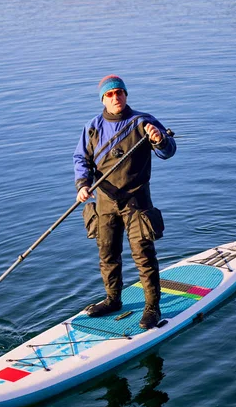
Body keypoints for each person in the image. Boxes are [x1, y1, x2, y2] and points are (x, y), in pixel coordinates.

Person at [74, 75, 176, 330]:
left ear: (126, 95)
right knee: (107, 254)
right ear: (103, 99)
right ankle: (113, 300)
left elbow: (168, 150)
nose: (115, 97)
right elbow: (81, 160)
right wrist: (83, 185)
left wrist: (159, 140)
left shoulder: (143, 122)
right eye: (109, 94)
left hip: (137, 201)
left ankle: (152, 307)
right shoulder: (92, 127)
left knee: (143, 256)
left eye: (119, 92)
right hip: (105, 203)